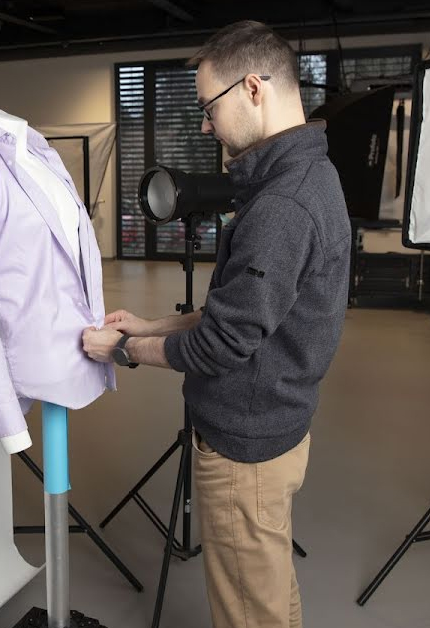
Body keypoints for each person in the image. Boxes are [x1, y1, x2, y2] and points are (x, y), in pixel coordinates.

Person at [82, 20, 351, 628]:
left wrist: (125, 349)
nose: (205, 124)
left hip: (243, 447)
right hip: (278, 430)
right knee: (269, 588)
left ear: (253, 88)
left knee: (246, 611)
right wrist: (151, 323)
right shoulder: (312, 174)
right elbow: (245, 315)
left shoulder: (282, 205)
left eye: (209, 106)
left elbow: (227, 340)